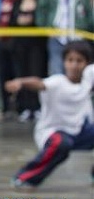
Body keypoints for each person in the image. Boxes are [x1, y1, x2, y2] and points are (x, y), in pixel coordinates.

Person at [5, 40, 94, 188]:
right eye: (70, 60)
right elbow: (38, 83)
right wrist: (21, 82)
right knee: (62, 144)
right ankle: (24, 177)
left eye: (79, 61)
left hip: (78, 131)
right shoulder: (57, 82)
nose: (74, 65)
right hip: (53, 133)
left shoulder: (88, 79)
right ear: (64, 62)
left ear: (86, 63)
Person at [36, 0, 94, 76]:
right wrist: (45, 28)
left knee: (77, 71)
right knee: (56, 69)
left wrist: (86, 28)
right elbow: (41, 9)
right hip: (57, 35)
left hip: (76, 35)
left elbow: (87, 12)